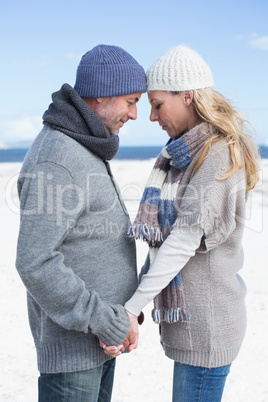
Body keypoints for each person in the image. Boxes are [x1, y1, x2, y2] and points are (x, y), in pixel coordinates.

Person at [103, 45, 260, 401]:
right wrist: (135, 301)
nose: (151, 117)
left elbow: (180, 243)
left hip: (209, 328)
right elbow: (162, 244)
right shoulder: (181, 154)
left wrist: (132, 307)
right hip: (197, 324)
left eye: (158, 105)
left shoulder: (217, 154)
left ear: (186, 96)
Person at [15, 44, 146, 402]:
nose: (135, 114)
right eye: (131, 101)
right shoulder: (59, 158)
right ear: (102, 95)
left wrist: (118, 320)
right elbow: (34, 260)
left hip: (101, 342)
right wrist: (105, 320)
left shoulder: (83, 144)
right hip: (75, 354)